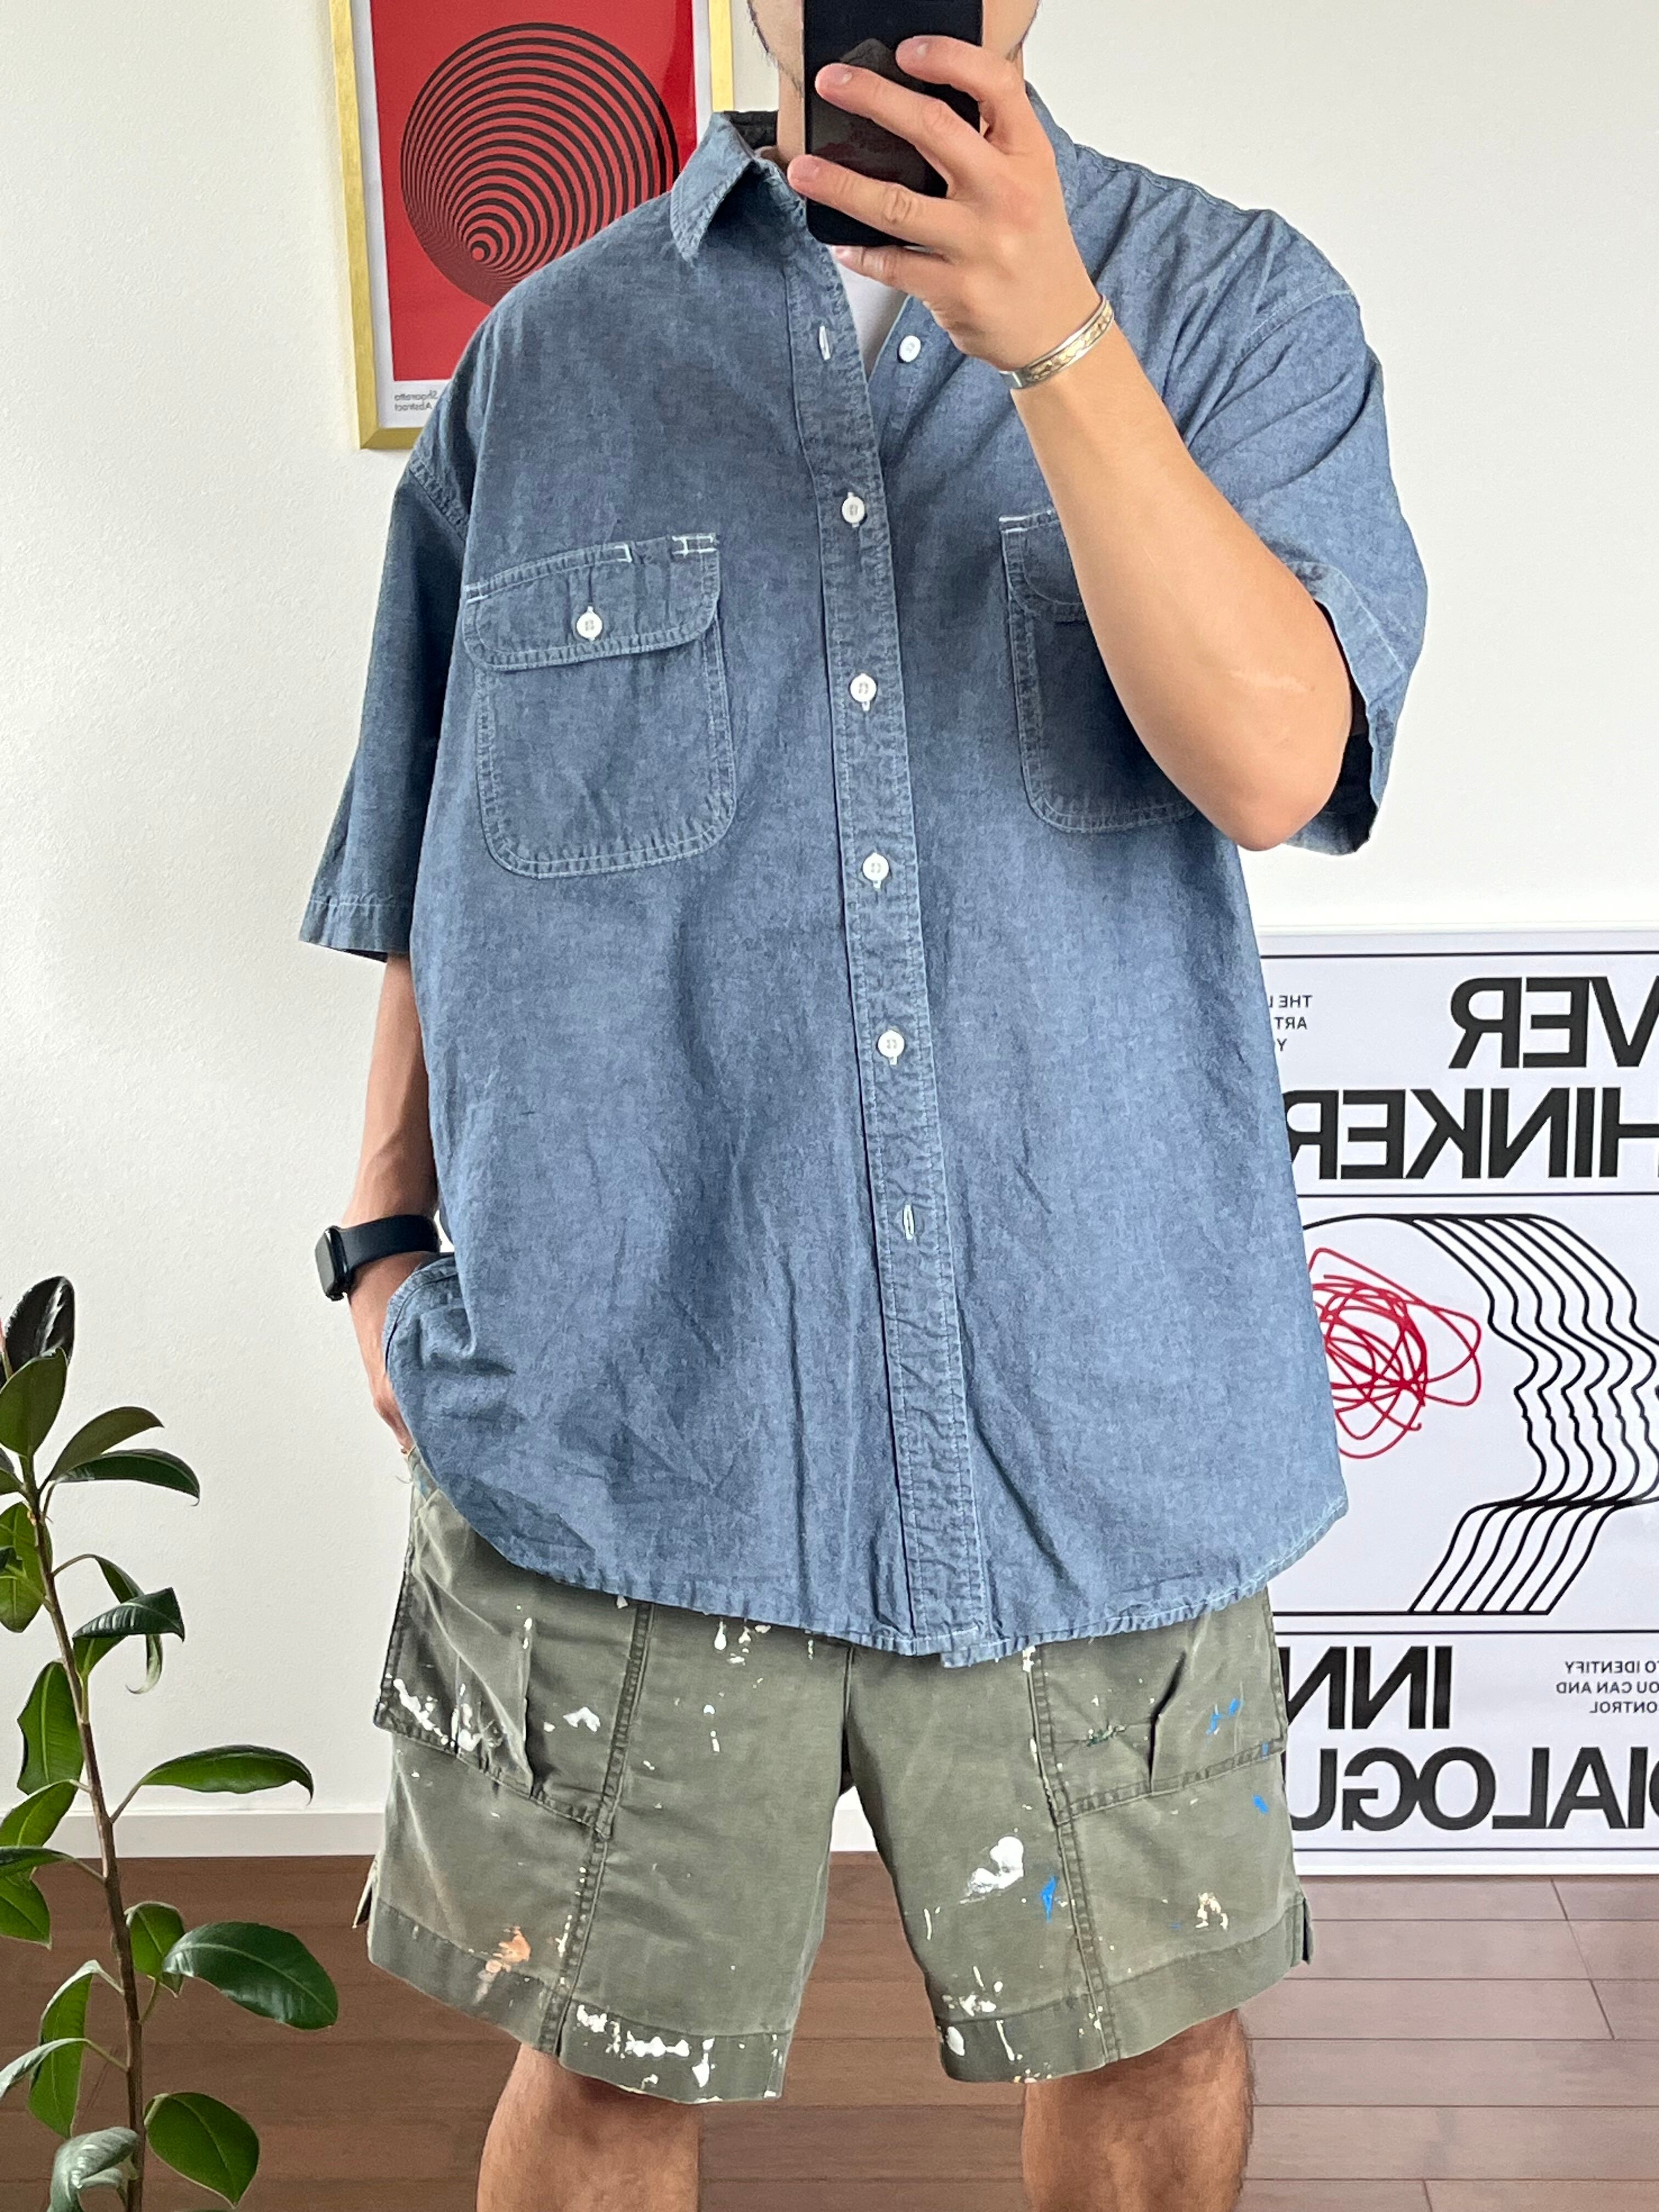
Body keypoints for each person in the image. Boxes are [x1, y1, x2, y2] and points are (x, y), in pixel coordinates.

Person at [301, 3, 1426, 2205]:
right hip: (634, 1415)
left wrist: (1060, 349)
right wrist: (379, 1227)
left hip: (1090, 1423)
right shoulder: (548, 358)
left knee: (1151, 2050)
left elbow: (1280, 760)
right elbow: (431, 844)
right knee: (602, 2077)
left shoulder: (1236, 306)